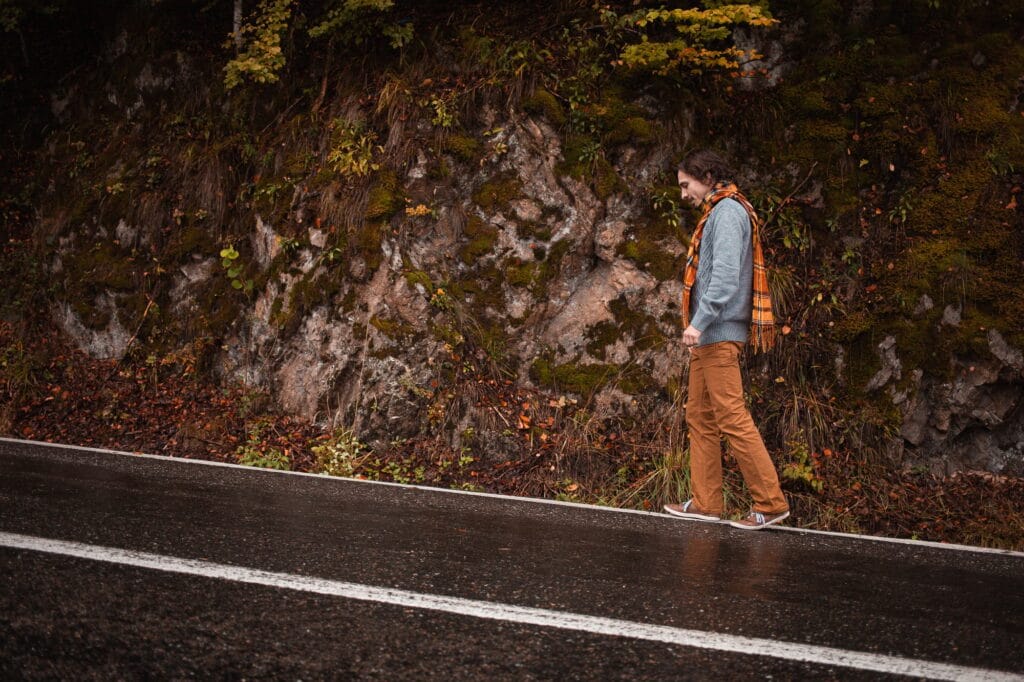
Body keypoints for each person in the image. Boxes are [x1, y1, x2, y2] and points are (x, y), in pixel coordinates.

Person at [663, 150, 790, 530]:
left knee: (732, 418)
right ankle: (706, 503)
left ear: (707, 175)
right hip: (709, 339)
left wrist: (698, 323)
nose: (684, 193)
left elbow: (724, 278)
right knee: (699, 417)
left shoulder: (729, 212)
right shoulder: (716, 213)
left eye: (686, 184)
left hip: (716, 336)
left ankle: (770, 503)